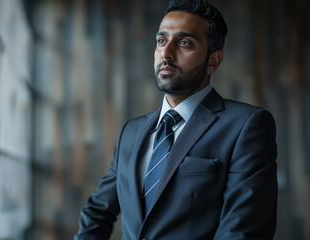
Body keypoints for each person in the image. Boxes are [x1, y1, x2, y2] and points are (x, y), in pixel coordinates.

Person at [75, 0, 278, 239]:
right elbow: (97, 211)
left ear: (213, 61)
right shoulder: (131, 131)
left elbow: (243, 231)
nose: (166, 53)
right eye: (161, 41)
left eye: (184, 43)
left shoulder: (246, 125)